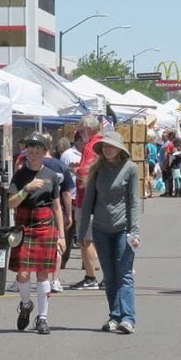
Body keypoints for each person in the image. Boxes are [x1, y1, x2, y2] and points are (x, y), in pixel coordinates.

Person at [78, 131, 140, 334]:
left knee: (124, 274)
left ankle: (128, 318)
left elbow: (133, 202)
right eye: (105, 146)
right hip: (101, 229)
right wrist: (81, 231)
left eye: (111, 145)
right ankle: (114, 316)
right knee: (110, 275)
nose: (107, 148)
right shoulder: (97, 169)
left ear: (119, 148)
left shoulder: (130, 169)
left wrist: (134, 231)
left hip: (123, 229)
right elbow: (88, 202)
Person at [7, 132, 65, 334]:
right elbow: (10, 203)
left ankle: (42, 318)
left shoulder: (51, 175)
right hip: (24, 224)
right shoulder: (20, 175)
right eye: (30, 148)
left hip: (45, 225)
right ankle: (25, 305)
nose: (33, 152)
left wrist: (62, 236)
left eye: (37, 149)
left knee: (42, 274)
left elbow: (57, 207)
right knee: (23, 274)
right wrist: (26, 189)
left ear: (43, 151)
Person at [40, 133, 75, 294]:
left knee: (29, 245)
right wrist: (68, 214)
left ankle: (21, 280)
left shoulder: (30, 163)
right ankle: (54, 280)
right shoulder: (60, 166)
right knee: (56, 246)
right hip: (55, 209)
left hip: (32, 210)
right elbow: (67, 193)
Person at [70, 115, 102, 290]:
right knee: (100, 239)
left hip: (86, 200)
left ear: (88, 130)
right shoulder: (102, 143)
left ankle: (90, 277)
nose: (79, 134)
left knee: (85, 239)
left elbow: (84, 175)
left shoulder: (91, 147)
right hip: (99, 200)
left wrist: (76, 171)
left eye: (81, 130)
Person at [59, 132, 85, 269]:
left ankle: (86, 262)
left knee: (84, 233)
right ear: (79, 140)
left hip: (84, 198)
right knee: (68, 232)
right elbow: (61, 177)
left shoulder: (88, 153)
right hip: (70, 197)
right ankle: (63, 260)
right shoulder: (68, 155)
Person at [145, 130, 157, 198]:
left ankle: (145, 192)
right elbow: (155, 156)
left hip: (147, 162)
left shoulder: (147, 145)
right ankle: (152, 193)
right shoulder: (154, 146)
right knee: (151, 178)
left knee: (146, 178)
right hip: (153, 162)